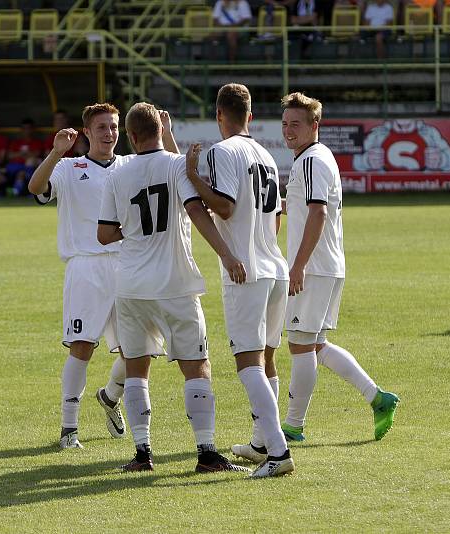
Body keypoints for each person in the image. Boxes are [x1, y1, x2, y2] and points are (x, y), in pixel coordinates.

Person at [96, 102, 249, 474]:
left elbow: (103, 234)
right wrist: (228, 255)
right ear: (161, 131)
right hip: (175, 284)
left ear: (130, 137)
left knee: (136, 370)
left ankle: (142, 453)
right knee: (197, 368)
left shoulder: (117, 174)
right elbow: (197, 211)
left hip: (131, 285)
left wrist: (132, 229)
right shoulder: (177, 165)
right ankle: (206, 452)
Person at [184, 84, 293, 477]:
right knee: (268, 359)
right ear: (250, 116)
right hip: (274, 266)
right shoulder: (266, 153)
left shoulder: (223, 152)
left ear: (218, 115)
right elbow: (277, 215)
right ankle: (261, 441)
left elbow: (225, 207)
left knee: (248, 362)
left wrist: (193, 177)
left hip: (245, 270)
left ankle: (278, 453)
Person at [279, 92, 400, 443]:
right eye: (285, 123)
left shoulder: (312, 160)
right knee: (315, 344)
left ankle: (293, 425)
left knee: (300, 345)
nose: (289, 130)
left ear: (314, 125)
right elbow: (307, 207)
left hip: (314, 267)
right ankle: (378, 398)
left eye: (296, 124)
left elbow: (319, 212)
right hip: (327, 264)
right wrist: (277, 205)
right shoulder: (317, 156)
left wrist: (298, 265)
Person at [28, 103, 135, 448]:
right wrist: (56, 151)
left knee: (138, 348)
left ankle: (110, 396)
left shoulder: (131, 165)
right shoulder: (69, 167)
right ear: (87, 132)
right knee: (82, 346)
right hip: (86, 265)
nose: (109, 133)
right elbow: (35, 188)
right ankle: (68, 429)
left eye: (114, 127)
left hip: (128, 263)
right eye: (102, 127)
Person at [5, 118, 43, 196]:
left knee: (27, 167)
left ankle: (16, 191)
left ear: (33, 129)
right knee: (20, 171)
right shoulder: (16, 142)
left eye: (29, 128)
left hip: (31, 169)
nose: (26, 131)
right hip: (16, 167)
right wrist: (23, 153)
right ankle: (22, 191)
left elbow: (37, 154)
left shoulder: (37, 142)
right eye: (24, 128)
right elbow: (9, 156)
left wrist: (21, 154)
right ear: (21, 130)